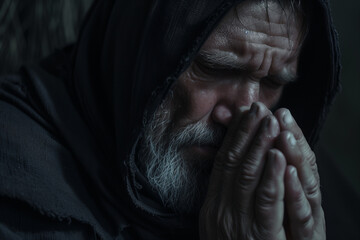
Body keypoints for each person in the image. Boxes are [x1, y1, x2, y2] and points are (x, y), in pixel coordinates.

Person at [0, 0, 358, 239]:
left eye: (273, 82)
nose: (249, 112)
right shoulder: (17, 172)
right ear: (135, 53)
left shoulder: (295, 175)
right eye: (214, 68)